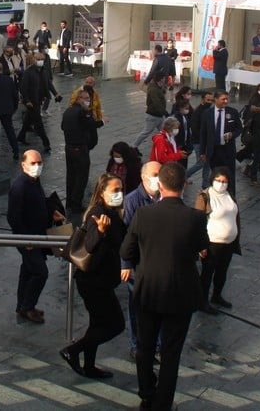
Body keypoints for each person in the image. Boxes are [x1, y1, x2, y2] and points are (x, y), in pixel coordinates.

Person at [120, 162, 210, 411]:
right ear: (183, 186)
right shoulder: (194, 217)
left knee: (145, 346)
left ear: (160, 185)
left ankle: (146, 390)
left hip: (149, 289)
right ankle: (163, 402)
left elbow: (126, 249)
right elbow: (201, 248)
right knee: (171, 353)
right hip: (181, 294)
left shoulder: (144, 215)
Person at [60, 173, 127, 380]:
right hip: (93, 281)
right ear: (102, 192)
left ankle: (89, 366)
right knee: (115, 324)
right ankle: (73, 350)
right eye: (115, 190)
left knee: (97, 324)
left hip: (103, 280)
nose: (119, 194)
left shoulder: (113, 213)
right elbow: (90, 245)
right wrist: (101, 231)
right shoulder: (98, 214)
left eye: (121, 190)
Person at [7, 149, 66, 324]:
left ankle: (22, 305)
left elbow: (37, 205)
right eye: (33, 163)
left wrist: (51, 213)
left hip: (38, 235)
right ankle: (28, 307)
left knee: (27, 270)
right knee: (40, 273)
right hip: (28, 239)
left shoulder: (34, 182)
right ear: (23, 165)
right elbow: (13, 217)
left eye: (39, 163)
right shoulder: (20, 187)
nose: (37, 166)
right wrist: (25, 240)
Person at [120, 161, 161, 361]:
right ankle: (136, 344)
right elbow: (125, 234)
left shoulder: (165, 198)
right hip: (138, 263)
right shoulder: (132, 201)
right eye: (154, 174)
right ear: (143, 178)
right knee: (137, 307)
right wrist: (126, 264)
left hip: (159, 263)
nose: (158, 178)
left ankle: (158, 344)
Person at [195, 167, 240, 313]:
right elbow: (198, 221)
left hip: (229, 243)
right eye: (218, 180)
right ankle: (202, 302)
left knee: (222, 271)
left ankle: (217, 295)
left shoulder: (229, 195)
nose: (221, 184)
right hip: (212, 244)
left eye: (224, 181)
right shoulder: (205, 196)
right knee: (208, 273)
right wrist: (200, 245)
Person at [61, 89, 102, 212]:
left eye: (89, 99)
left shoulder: (67, 111)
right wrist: (102, 122)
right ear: (79, 99)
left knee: (71, 175)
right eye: (85, 99)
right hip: (80, 148)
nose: (88, 101)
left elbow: (62, 126)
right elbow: (90, 125)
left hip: (69, 147)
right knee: (81, 176)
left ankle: (69, 201)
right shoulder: (82, 112)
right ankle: (76, 203)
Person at [198, 89, 242, 194]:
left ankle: (231, 196)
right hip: (214, 150)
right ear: (216, 99)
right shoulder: (207, 113)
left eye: (227, 99)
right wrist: (202, 152)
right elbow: (203, 133)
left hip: (227, 150)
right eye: (223, 99)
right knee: (216, 175)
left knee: (230, 175)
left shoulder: (232, 112)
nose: (226, 101)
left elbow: (239, 128)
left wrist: (232, 134)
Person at [16, 53, 52, 153]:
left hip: (39, 99)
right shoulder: (28, 72)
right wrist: (27, 100)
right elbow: (23, 88)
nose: (41, 61)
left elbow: (47, 83)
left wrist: (54, 93)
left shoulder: (43, 71)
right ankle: (46, 143)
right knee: (38, 123)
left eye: (42, 59)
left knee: (28, 120)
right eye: (38, 59)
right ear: (34, 59)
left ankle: (21, 136)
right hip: (31, 101)